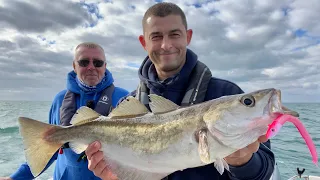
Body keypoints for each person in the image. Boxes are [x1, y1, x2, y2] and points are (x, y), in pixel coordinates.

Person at [85, 2, 276, 180]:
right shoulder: (128, 105)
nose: (166, 45)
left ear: (188, 36)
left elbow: (264, 170)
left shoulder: (225, 93)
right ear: (144, 42)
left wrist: (244, 162)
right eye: (156, 36)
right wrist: (116, 175)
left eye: (174, 34)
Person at [0, 42, 129, 180]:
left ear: (105, 66)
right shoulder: (60, 100)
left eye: (97, 63)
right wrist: (16, 177)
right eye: (84, 62)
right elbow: (48, 148)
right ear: (74, 66)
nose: (91, 67)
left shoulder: (125, 98)